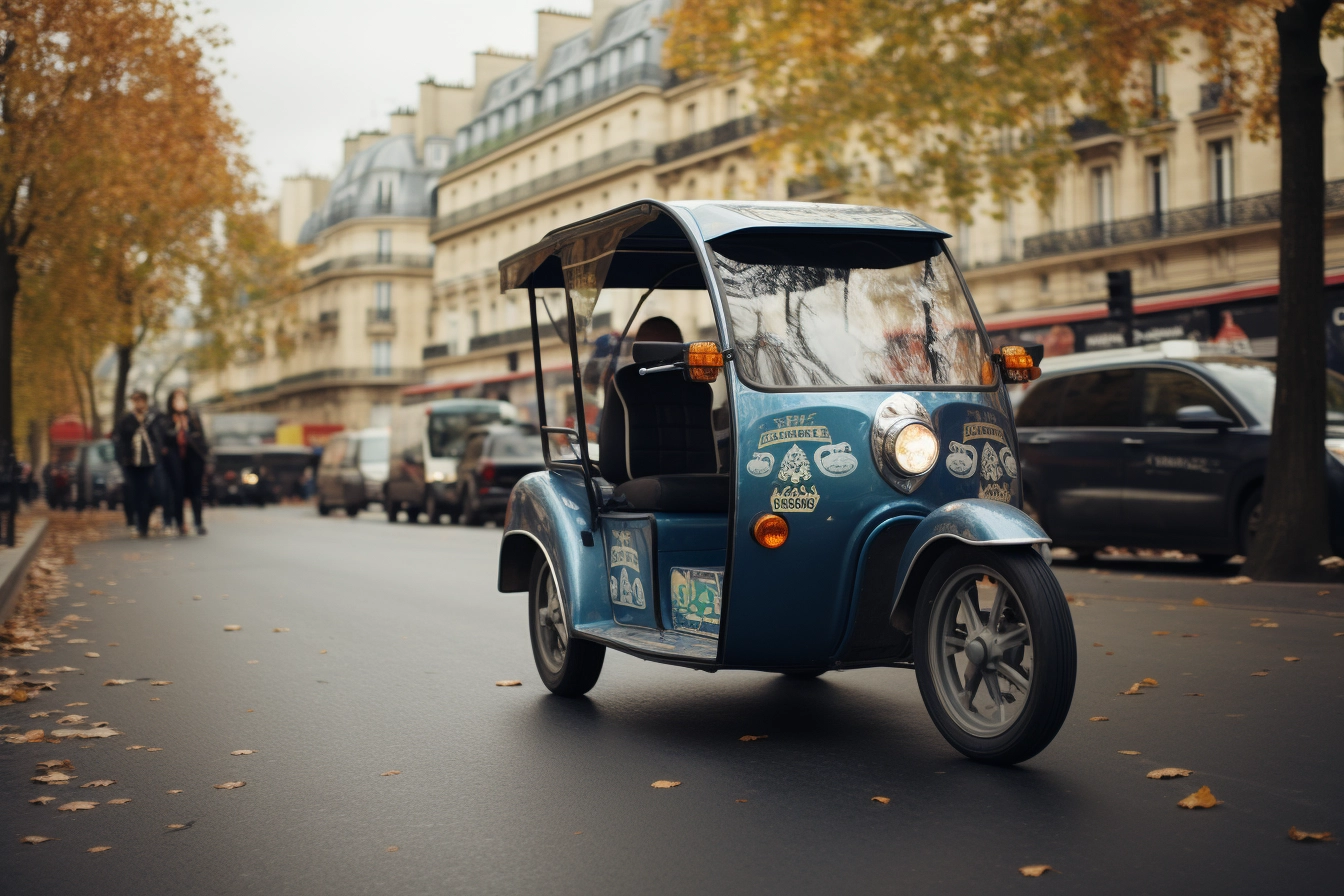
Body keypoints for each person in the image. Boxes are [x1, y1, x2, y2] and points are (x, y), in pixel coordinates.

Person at [157, 388, 209, 536]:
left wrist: (187, 429)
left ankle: (198, 523)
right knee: (177, 491)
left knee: (196, 491)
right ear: (171, 402)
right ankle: (180, 523)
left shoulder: (192, 417)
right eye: (176, 399)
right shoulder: (166, 419)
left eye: (182, 399)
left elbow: (200, 438)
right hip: (175, 460)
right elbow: (165, 438)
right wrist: (177, 426)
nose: (180, 402)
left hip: (193, 458)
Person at [115, 390, 162, 537]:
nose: (138, 403)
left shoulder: (152, 419)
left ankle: (144, 526)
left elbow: (158, 439)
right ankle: (135, 523)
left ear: (146, 402)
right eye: (135, 400)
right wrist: (122, 460)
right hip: (131, 463)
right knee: (134, 493)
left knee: (148, 493)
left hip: (149, 463)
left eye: (141, 400)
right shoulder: (126, 420)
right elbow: (119, 441)